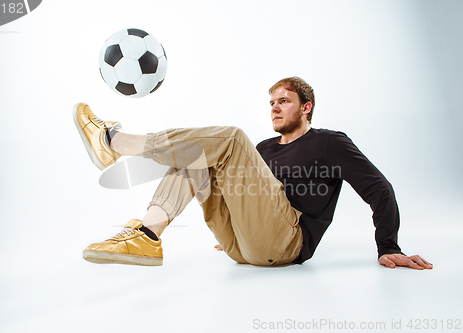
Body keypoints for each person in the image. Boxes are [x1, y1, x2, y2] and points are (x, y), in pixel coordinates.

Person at [73, 76, 432, 270]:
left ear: (306, 107)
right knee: (195, 156)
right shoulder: (264, 149)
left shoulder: (328, 143)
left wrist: (388, 246)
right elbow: (246, 195)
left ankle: (114, 141)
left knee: (229, 138)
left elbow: (379, 188)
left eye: (284, 101)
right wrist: (240, 225)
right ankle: (147, 235)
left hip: (286, 243)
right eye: (272, 102)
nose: (275, 107)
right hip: (241, 245)